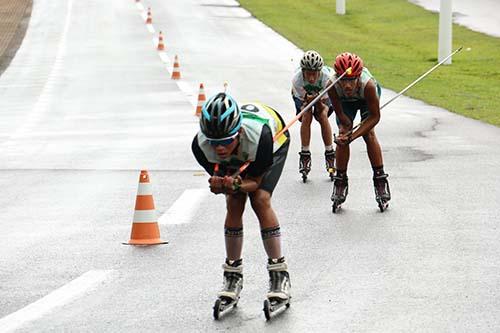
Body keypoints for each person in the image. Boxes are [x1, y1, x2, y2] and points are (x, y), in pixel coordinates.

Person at [191, 92, 291, 312]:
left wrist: (234, 184)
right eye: (214, 142)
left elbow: (254, 181)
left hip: (274, 141)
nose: (219, 149)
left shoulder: (260, 138)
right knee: (234, 202)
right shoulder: (199, 146)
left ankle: (279, 274)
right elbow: (222, 177)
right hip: (246, 148)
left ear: (239, 132)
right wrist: (223, 185)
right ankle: (232, 275)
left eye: (226, 141)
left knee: (260, 199)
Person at [327, 52, 391, 210]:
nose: (348, 86)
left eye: (352, 80)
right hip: (344, 102)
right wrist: (346, 132)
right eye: (344, 81)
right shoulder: (331, 85)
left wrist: (353, 136)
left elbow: (375, 117)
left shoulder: (368, 85)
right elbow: (340, 114)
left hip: (365, 99)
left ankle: (380, 179)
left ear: (358, 77)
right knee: (342, 135)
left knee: (369, 134)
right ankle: (340, 181)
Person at [291, 50, 336, 180]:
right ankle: (305, 153)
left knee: (322, 116)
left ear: (319, 72)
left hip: (323, 96)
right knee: (306, 115)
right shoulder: (297, 80)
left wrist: (317, 100)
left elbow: (322, 108)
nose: (311, 78)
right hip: (302, 96)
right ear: (302, 71)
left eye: (314, 74)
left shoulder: (328, 79)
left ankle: (329, 152)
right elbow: (304, 103)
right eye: (308, 74)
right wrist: (308, 100)